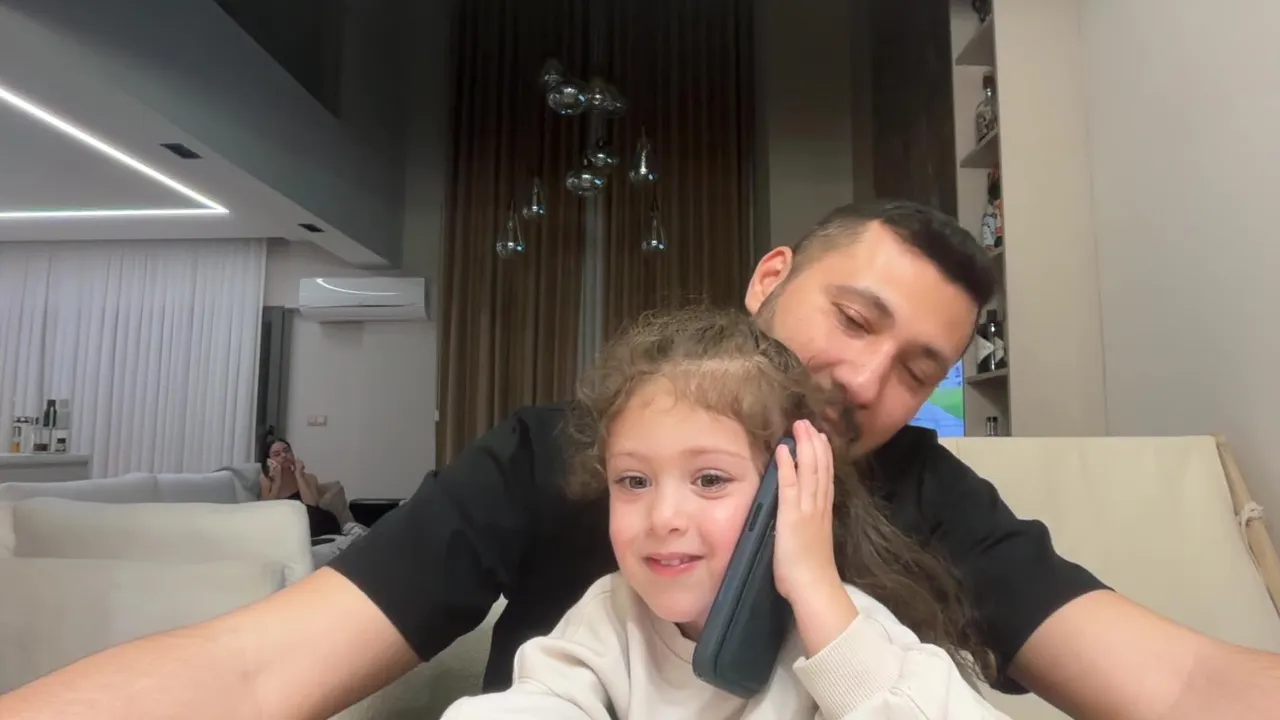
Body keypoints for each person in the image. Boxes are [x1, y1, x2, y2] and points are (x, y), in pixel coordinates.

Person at [2, 200, 1276, 719]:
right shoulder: (550, 456)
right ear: (769, 278)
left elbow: (1177, 682)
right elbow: (255, 666)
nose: (864, 381)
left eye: (916, 369)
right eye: (852, 319)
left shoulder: (931, 499)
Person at [441, 307, 1007, 719]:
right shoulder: (610, 617)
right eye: (634, 481)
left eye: (709, 480)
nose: (663, 517)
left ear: (788, 490)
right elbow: (536, 702)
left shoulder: (846, 627)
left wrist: (816, 593)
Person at [259, 437, 344, 539]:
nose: (284, 455)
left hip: (315, 522)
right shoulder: (266, 479)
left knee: (311, 514)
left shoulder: (309, 477)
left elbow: (311, 504)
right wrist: (277, 483)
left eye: (287, 451)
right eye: (277, 454)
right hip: (289, 524)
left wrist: (299, 476)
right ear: (269, 461)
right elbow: (265, 509)